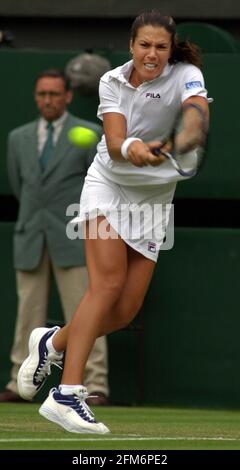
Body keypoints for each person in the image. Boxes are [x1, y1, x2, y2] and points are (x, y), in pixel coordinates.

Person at [17, 11, 210, 433]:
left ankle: (51, 341)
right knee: (105, 286)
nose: (152, 54)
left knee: (124, 311)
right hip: (108, 188)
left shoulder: (187, 74)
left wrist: (179, 141)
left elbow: (195, 117)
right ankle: (66, 395)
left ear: (170, 48)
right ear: (131, 46)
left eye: (160, 47)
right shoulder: (111, 81)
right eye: (144, 45)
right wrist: (134, 149)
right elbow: (118, 142)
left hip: (154, 203)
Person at [0, 68, 109, 406]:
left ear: (67, 96)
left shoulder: (89, 134)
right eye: (42, 94)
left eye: (53, 94)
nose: (47, 100)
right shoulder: (18, 138)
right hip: (31, 235)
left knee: (85, 310)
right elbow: (21, 186)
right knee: (27, 314)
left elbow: (100, 187)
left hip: (74, 237)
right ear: (36, 97)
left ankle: (96, 384)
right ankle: (20, 382)